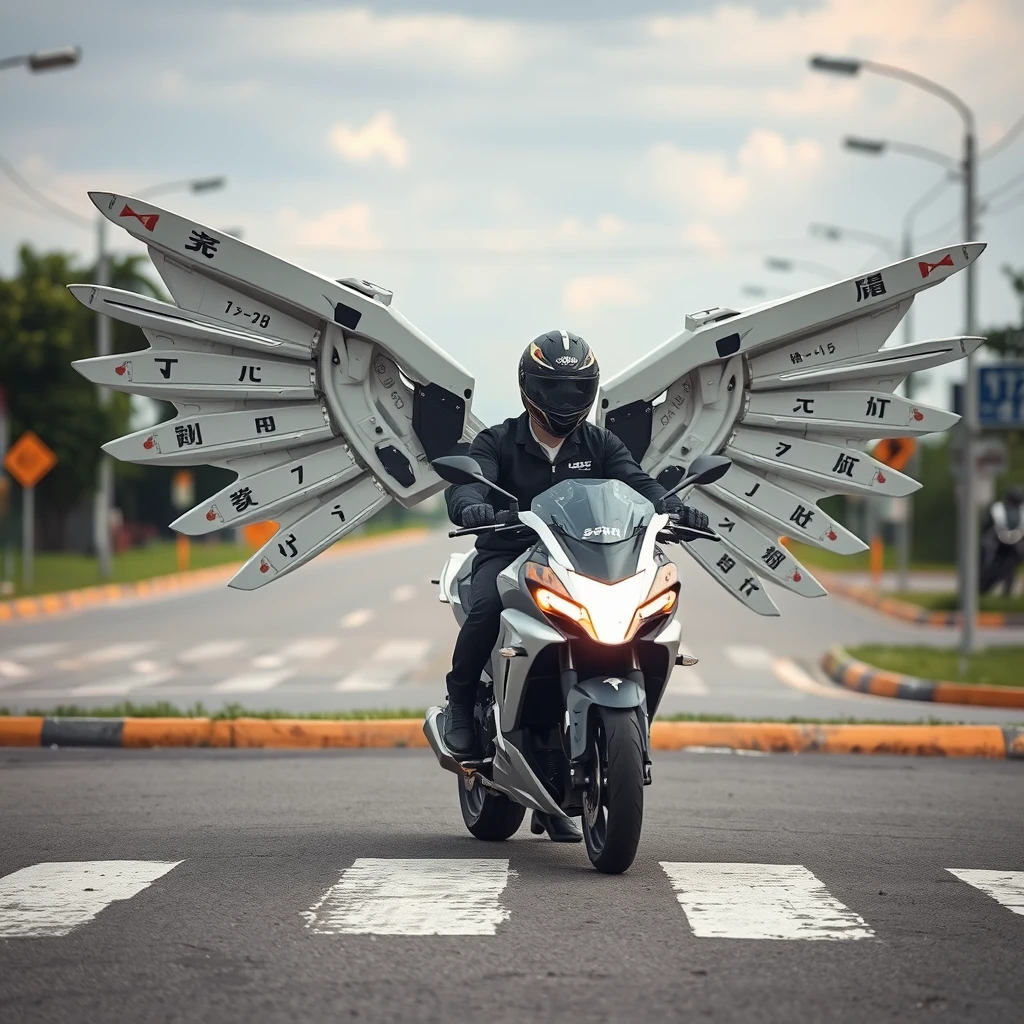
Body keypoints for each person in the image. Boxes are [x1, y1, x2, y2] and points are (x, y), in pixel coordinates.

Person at [442, 330, 709, 842]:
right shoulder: (497, 440)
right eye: (555, 389)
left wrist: (673, 508)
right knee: (486, 608)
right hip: (510, 553)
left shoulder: (600, 443)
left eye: (576, 389)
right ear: (529, 389)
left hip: (586, 561)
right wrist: (472, 506)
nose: (566, 401)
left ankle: (568, 767)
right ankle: (460, 703)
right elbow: (469, 483)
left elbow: (640, 485)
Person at [980, 485, 1024, 595]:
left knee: (1007, 569)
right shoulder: (997, 509)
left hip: (1012, 545)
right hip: (997, 543)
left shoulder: (997, 508)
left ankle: (1004, 592)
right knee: (994, 568)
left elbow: (985, 526)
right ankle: (985, 589)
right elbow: (987, 527)